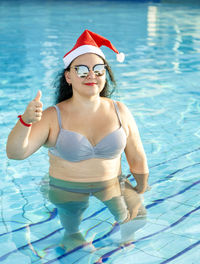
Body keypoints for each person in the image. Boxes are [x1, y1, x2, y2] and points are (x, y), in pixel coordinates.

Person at [6, 30, 149, 250]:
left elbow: (137, 155)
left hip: (110, 184)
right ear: (68, 77)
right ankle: (72, 235)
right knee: (73, 236)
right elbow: (16, 154)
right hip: (67, 188)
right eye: (81, 70)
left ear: (105, 74)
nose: (91, 75)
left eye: (98, 69)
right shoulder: (53, 116)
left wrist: (141, 186)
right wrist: (25, 121)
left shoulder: (120, 110)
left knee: (137, 221)